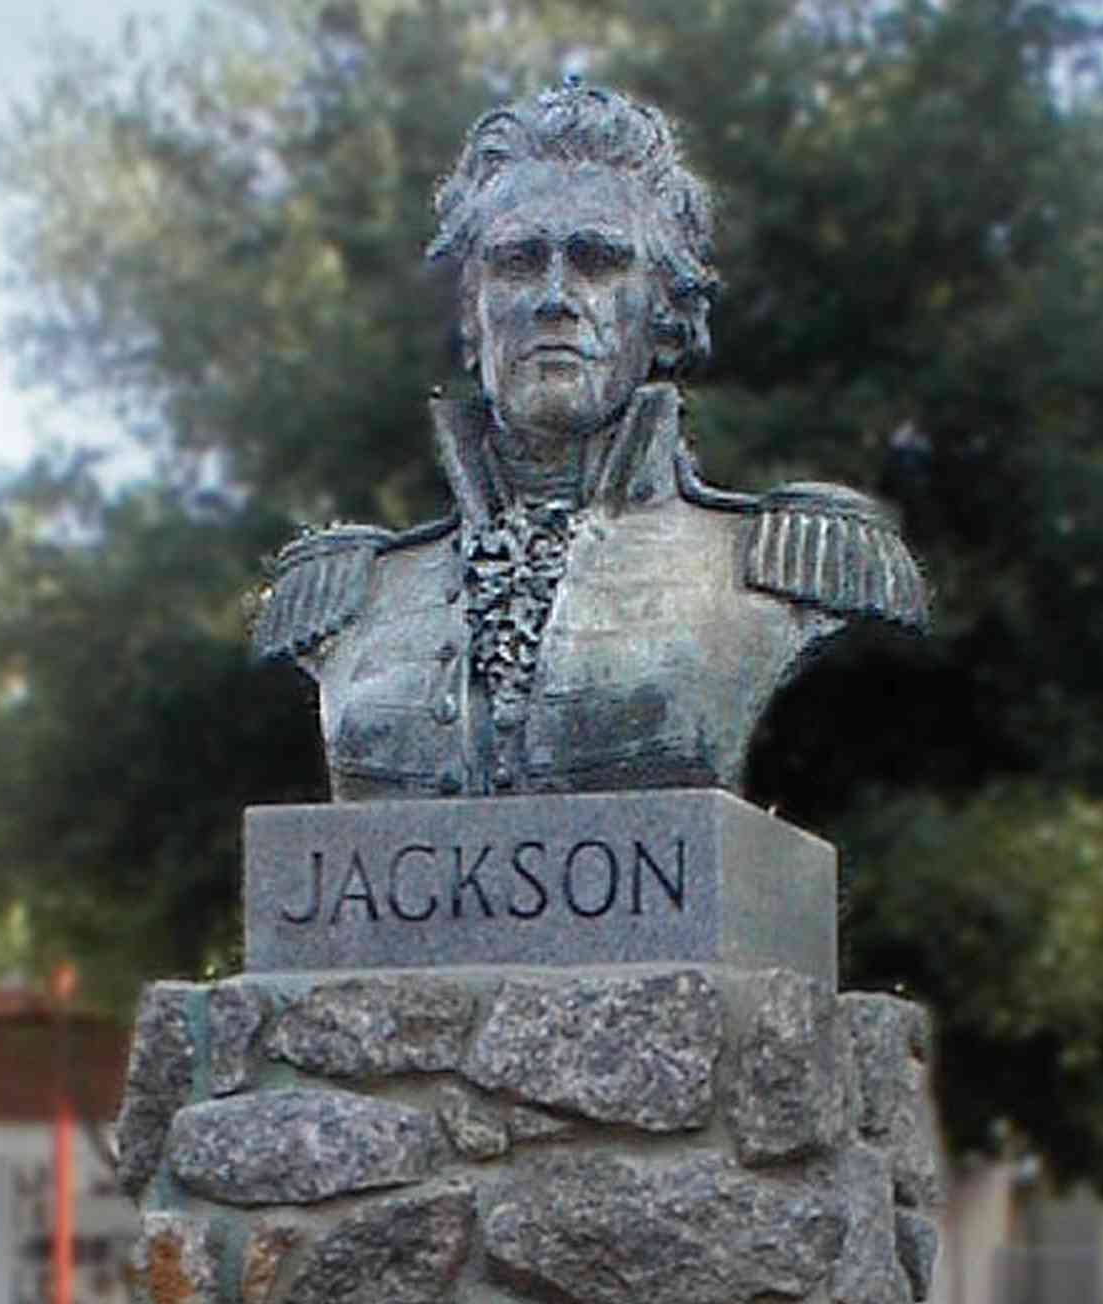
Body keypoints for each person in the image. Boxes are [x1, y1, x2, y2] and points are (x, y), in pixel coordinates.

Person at [254, 80, 925, 800]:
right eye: (516, 262)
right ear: (473, 315)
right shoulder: (347, 599)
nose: (554, 297)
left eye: (598, 261)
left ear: (666, 311)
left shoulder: (784, 572)